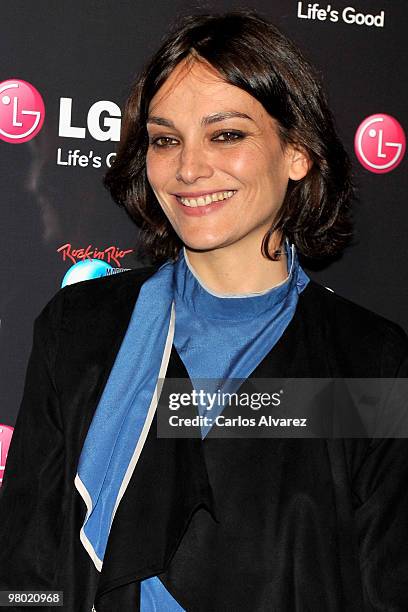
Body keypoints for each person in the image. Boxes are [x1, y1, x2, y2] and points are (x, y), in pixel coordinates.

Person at [1, 10, 407, 612]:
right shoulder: (81, 327)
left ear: (297, 152)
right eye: (166, 140)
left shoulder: (368, 364)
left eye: (227, 134)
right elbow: (27, 570)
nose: (189, 169)